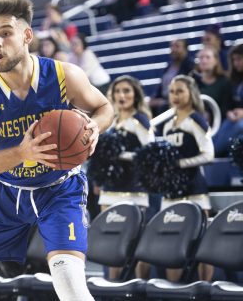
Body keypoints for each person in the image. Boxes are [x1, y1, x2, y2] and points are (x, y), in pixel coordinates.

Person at [0, 0, 114, 301]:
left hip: (59, 190)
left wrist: (96, 126)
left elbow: (104, 107)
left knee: (70, 285)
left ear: (27, 35)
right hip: (5, 194)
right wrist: (22, 153)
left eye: (5, 33)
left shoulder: (63, 74)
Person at [96, 76, 154, 279]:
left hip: (134, 189)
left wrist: (121, 155)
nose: (122, 95)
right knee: (112, 243)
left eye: (127, 91)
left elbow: (150, 153)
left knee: (136, 242)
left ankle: (139, 289)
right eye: (118, 91)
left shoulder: (141, 120)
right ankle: (113, 289)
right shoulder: (109, 122)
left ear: (136, 94)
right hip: (110, 190)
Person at [162, 75, 214, 281]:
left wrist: (179, 164)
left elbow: (209, 154)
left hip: (195, 190)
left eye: (180, 91)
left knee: (201, 246)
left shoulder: (197, 119)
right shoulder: (168, 125)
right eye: (172, 91)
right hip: (171, 192)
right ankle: (172, 292)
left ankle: (204, 292)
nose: (175, 95)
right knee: (170, 247)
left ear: (191, 93)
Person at [150, 39, 194, 115]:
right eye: (172, 46)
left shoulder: (190, 66)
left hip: (177, 101)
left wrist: (164, 101)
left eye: (177, 46)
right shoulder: (168, 66)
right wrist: (154, 99)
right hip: (163, 100)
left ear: (185, 49)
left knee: (163, 108)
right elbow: (160, 88)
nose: (173, 49)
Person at [193, 46, 232, 117]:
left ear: (216, 61)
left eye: (208, 57)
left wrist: (210, 115)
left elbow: (226, 107)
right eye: (201, 57)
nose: (204, 61)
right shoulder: (192, 81)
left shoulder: (225, 81)